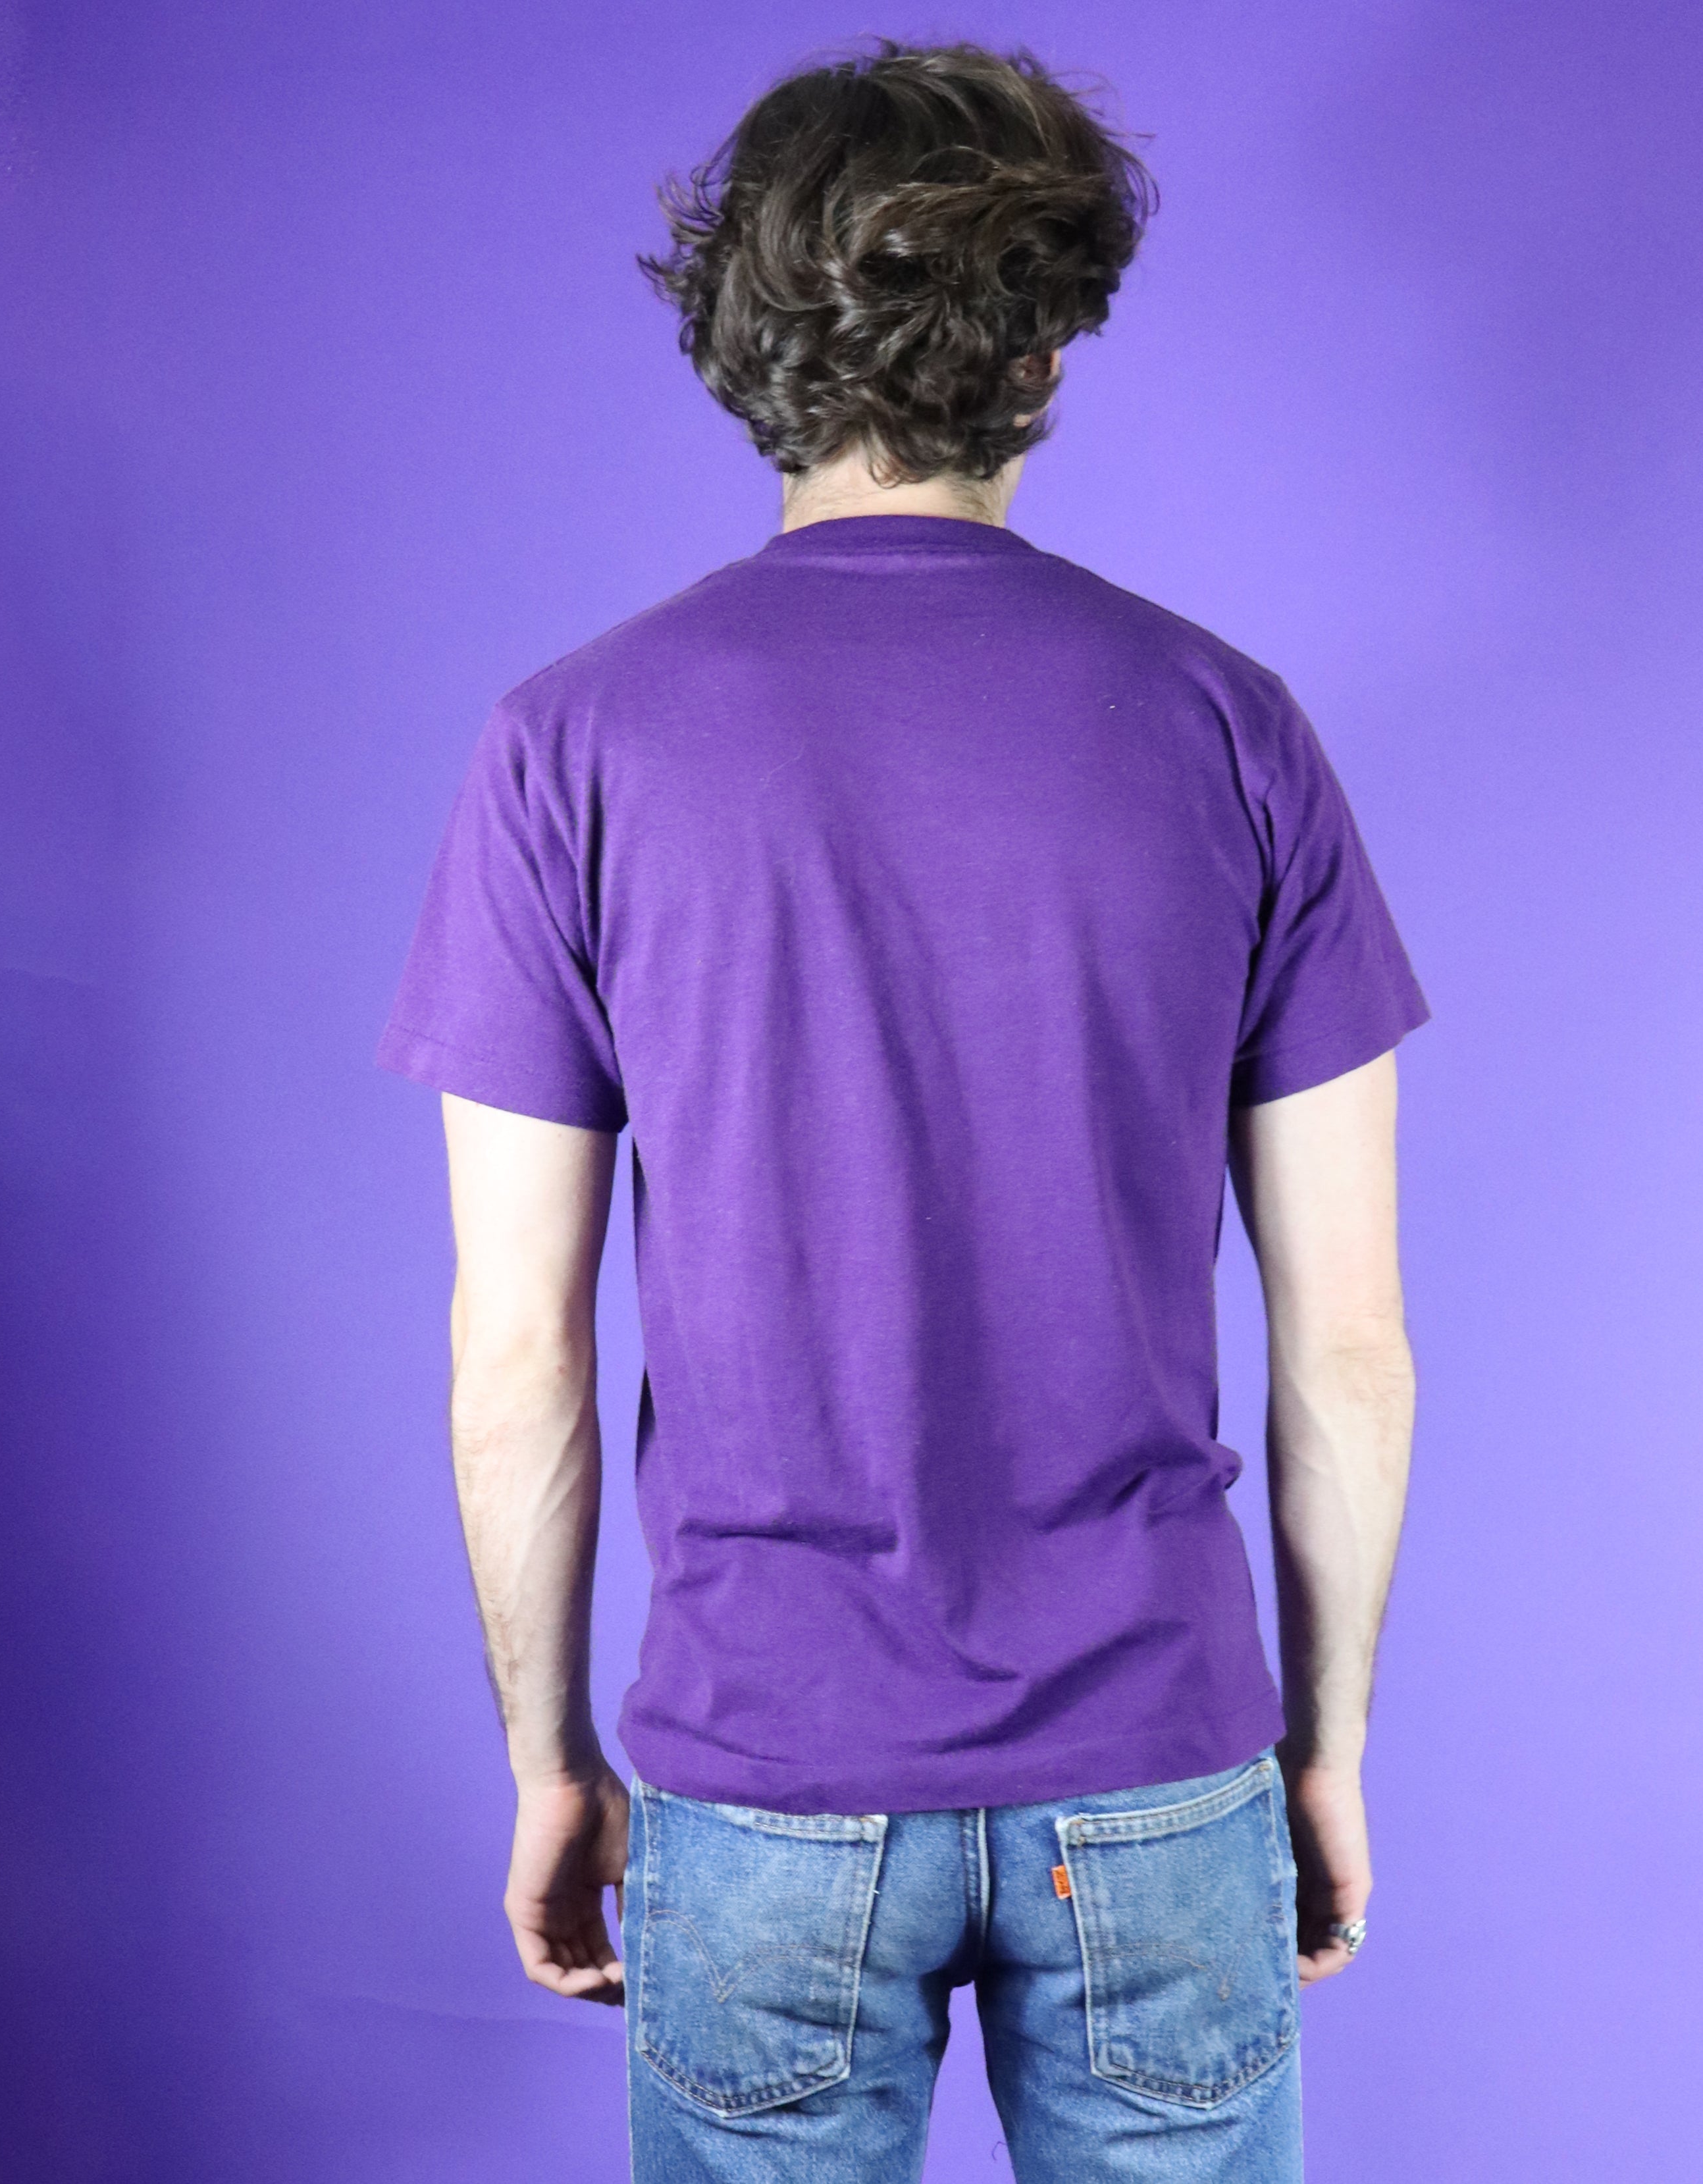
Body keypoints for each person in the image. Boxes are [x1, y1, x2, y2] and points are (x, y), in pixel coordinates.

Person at [377, 38, 1427, 2183]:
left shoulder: (570, 746)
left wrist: (550, 1763)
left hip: (763, 1774)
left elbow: (517, 1359)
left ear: (743, 347)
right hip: (1160, 1771)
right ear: (1045, 352)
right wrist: (1319, 1748)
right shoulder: (1231, 728)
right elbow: (1347, 1345)